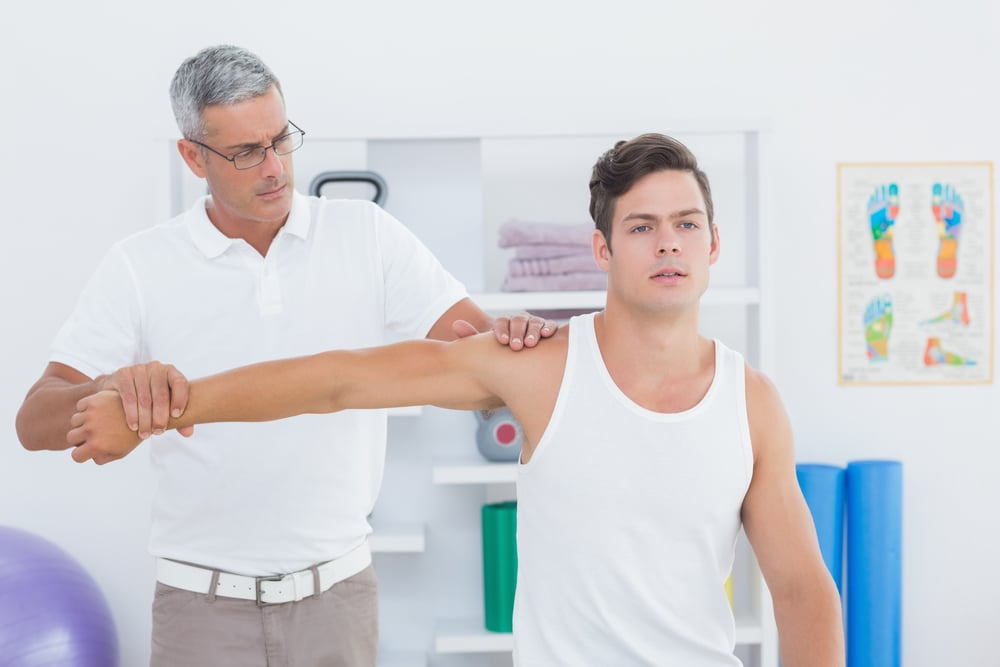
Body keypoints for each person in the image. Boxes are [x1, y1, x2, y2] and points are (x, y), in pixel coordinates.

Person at [68, 133, 845, 666]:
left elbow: (803, 587)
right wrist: (166, 407)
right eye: (641, 227)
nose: (668, 242)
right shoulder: (536, 368)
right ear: (602, 249)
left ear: (714, 245)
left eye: (686, 224)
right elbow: (340, 378)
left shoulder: (752, 402)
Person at [15, 45, 557, 667]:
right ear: (192, 156)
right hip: (201, 610)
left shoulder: (367, 235)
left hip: (338, 600)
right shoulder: (139, 266)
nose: (274, 167)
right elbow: (34, 422)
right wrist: (116, 387)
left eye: (281, 139)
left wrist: (512, 344)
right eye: (245, 152)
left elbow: (483, 361)